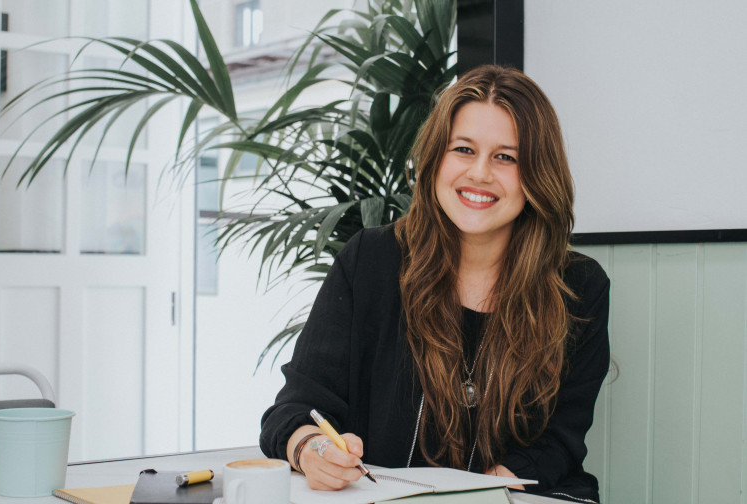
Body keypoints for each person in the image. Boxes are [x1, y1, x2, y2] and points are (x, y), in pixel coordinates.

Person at [260, 64, 610, 503]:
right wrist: (312, 448)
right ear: (435, 159)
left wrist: (476, 496)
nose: (480, 173)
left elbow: (560, 440)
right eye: (463, 149)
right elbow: (294, 409)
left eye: (506, 157)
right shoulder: (369, 260)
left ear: (538, 175)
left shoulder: (578, 286)